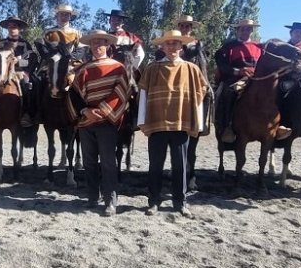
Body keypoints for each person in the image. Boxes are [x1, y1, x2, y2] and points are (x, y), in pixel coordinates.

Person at [138, 30, 207, 218]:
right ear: (163, 46)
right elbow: (143, 94)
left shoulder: (192, 70)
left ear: (181, 47)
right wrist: (142, 121)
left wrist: (198, 122)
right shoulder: (152, 69)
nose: (172, 47)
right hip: (157, 124)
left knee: (180, 166)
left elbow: (200, 95)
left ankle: (180, 202)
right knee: (155, 165)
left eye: (176, 44)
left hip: (181, 124)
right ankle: (153, 202)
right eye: (168, 44)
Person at [67, 30, 130, 216]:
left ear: (108, 45)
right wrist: (85, 111)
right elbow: (73, 94)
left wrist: (101, 112)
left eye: (101, 42)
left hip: (107, 122)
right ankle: (92, 197)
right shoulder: (84, 69)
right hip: (86, 122)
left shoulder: (118, 68)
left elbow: (122, 92)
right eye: (94, 43)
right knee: (89, 162)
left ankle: (111, 200)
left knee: (108, 162)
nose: (97, 46)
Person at [0, 16, 40, 126]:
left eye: (15, 26)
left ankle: (26, 113)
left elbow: (32, 59)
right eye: (10, 26)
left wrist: (18, 61)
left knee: (28, 85)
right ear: (7, 28)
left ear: (19, 29)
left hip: (19, 72)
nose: (12, 29)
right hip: (2, 71)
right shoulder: (1, 43)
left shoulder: (25, 43)